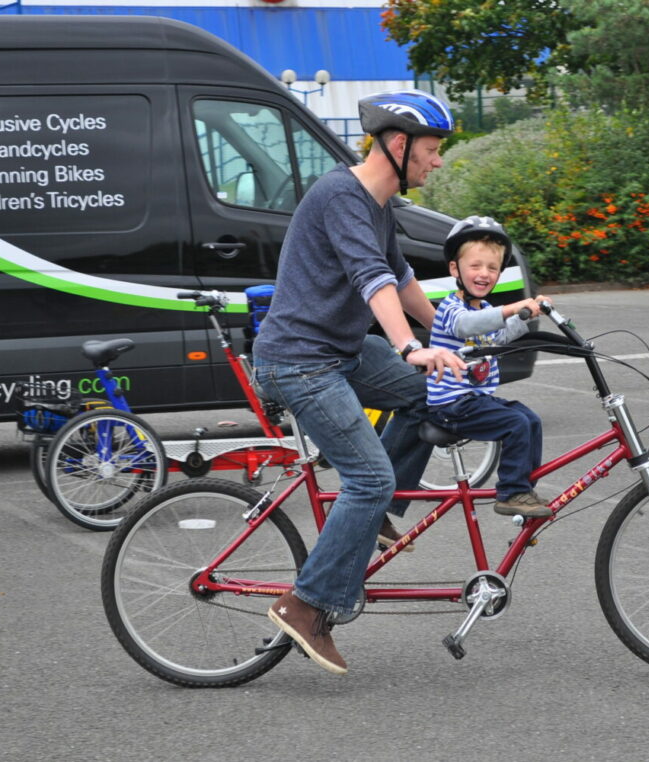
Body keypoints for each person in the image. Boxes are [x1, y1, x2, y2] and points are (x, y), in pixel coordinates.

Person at [252, 89, 466, 675]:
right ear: (399, 145)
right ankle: (306, 605)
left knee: (432, 395)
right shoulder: (342, 195)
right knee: (365, 478)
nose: (437, 161)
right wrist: (409, 346)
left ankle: (379, 508)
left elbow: (399, 278)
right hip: (299, 361)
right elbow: (372, 281)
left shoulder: (377, 203)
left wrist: (454, 331)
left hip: (340, 352)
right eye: (432, 149)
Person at [427, 216, 552, 518]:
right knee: (515, 424)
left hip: (474, 400)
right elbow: (467, 326)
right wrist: (509, 308)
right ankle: (511, 492)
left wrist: (525, 316)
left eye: (492, 268)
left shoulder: (484, 309)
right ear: (455, 269)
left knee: (530, 419)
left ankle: (524, 488)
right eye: (476, 266)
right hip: (451, 404)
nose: (484, 274)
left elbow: (499, 336)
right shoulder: (451, 308)